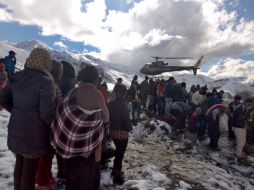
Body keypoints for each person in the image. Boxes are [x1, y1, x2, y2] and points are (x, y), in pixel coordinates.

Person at [0, 48, 55, 190]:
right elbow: (46, 113)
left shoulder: (17, 77)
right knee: (29, 172)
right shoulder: (46, 81)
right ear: (46, 61)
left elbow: (3, 99)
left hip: (16, 130)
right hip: (34, 134)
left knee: (19, 164)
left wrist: (17, 111)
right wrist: (55, 127)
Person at [51, 65, 109, 190]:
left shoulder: (73, 92)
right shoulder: (97, 94)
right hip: (90, 149)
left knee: (73, 178)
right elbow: (106, 118)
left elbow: (62, 112)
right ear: (95, 79)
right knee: (89, 180)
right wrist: (95, 119)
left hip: (71, 148)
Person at [36, 60, 63, 189]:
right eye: (61, 71)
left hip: (40, 124)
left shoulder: (43, 81)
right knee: (47, 155)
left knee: (45, 155)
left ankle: (46, 178)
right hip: (50, 124)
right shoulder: (53, 85)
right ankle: (43, 182)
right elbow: (57, 106)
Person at [108, 84, 132, 184]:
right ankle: (117, 173)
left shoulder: (110, 104)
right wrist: (129, 128)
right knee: (120, 154)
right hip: (122, 134)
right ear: (124, 94)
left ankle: (115, 169)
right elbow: (127, 121)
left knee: (117, 152)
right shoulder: (124, 105)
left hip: (111, 132)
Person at [233, 98, 252, 163]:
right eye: (247, 104)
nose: (248, 105)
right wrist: (244, 124)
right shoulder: (238, 109)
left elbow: (244, 117)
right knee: (240, 141)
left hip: (243, 127)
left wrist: (247, 121)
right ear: (244, 102)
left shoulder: (244, 109)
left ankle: (239, 152)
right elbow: (237, 119)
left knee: (243, 141)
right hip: (238, 127)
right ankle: (238, 155)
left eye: (249, 104)